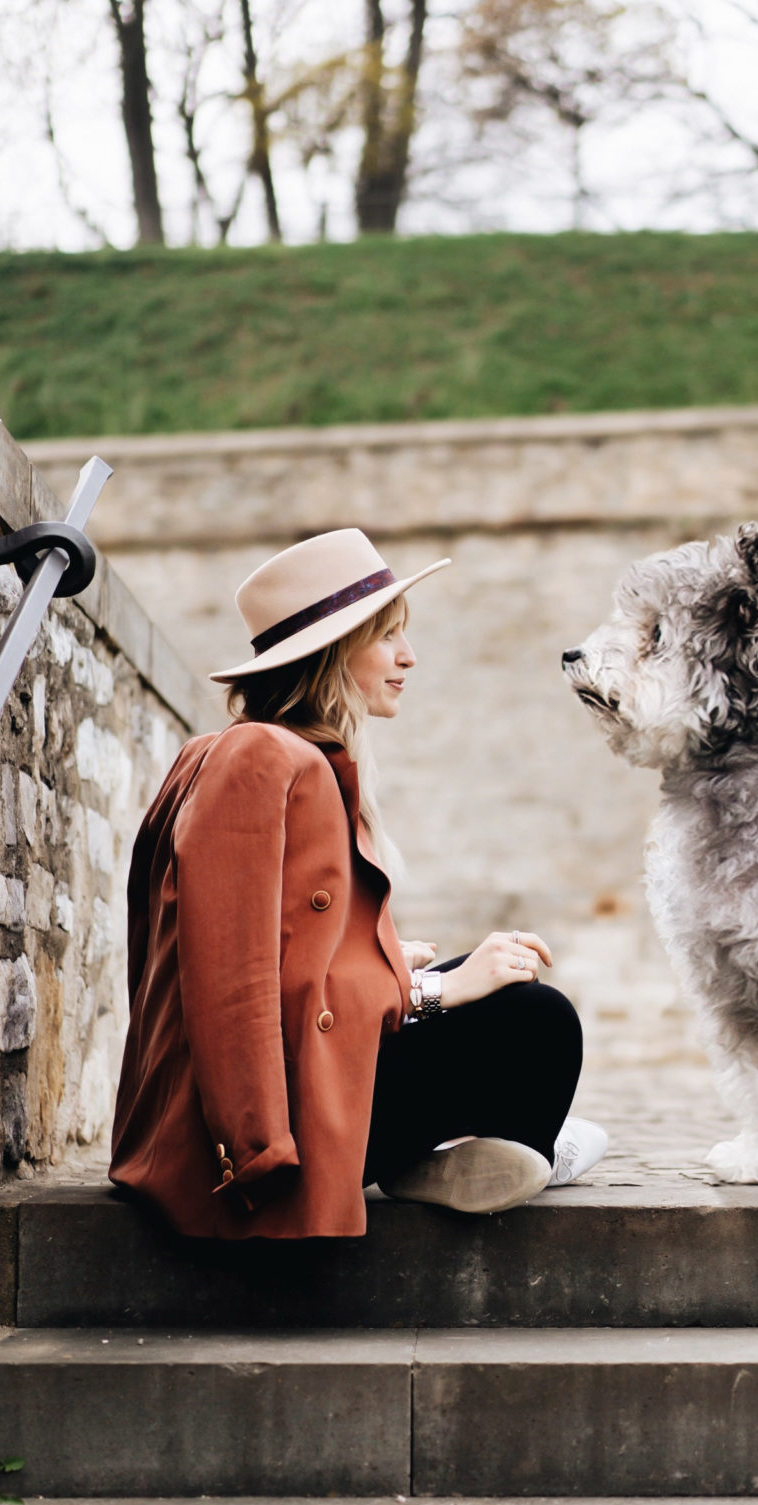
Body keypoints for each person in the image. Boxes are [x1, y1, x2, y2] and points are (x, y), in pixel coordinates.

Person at [110, 527, 606, 1241]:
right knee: (536, 1021)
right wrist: (428, 992)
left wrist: (389, 966)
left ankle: (461, 1157)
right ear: (332, 653)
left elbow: (280, 956)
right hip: (243, 1143)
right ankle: (482, 1156)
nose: (409, 657)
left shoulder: (266, 754)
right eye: (388, 638)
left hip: (275, 1095)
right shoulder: (259, 758)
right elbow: (231, 979)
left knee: (508, 983)